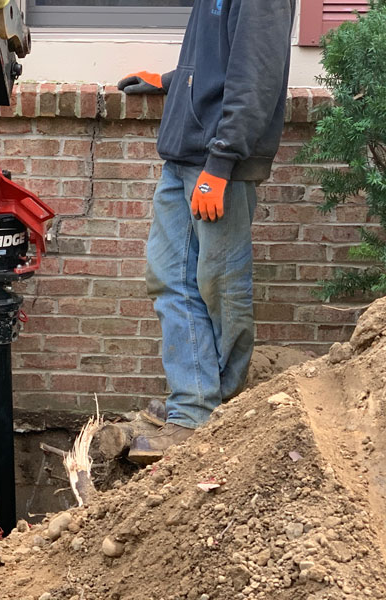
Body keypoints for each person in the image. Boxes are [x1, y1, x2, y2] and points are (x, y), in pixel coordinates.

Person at [117, 0, 296, 464]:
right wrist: (173, 83)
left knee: (219, 284)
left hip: (218, 165)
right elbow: (214, 63)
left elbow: (256, 74)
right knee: (169, 278)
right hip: (185, 156)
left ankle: (211, 409)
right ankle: (193, 399)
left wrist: (220, 164)